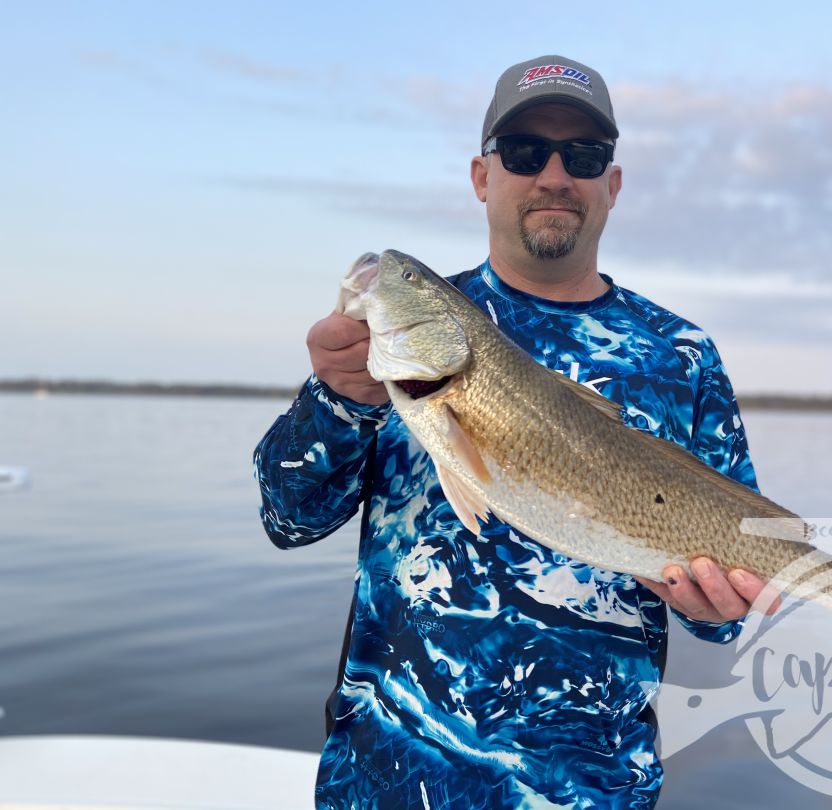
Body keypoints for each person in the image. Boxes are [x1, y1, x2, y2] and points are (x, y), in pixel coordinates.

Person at [254, 55, 773, 809]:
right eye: (526, 152)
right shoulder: (408, 336)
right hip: (386, 781)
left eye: (584, 155)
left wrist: (719, 608)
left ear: (613, 184)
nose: (554, 174)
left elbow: (734, 586)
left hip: (588, 792)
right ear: (482, 176)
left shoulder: (682, 354)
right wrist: (338, 400)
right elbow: (287, 519)